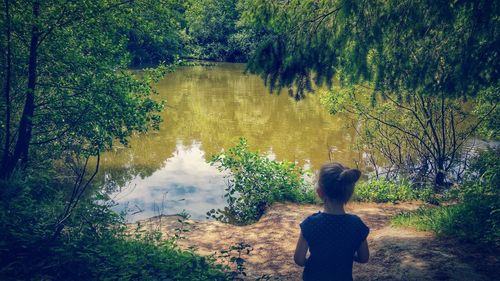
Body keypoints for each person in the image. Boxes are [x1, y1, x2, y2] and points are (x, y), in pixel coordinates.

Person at [294, 162, 370, 281]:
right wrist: (347, 255)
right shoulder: (356, 225)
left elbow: (299, 259)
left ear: (320, 193)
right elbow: (364, 258)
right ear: (349, 195)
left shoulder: (310, 223)